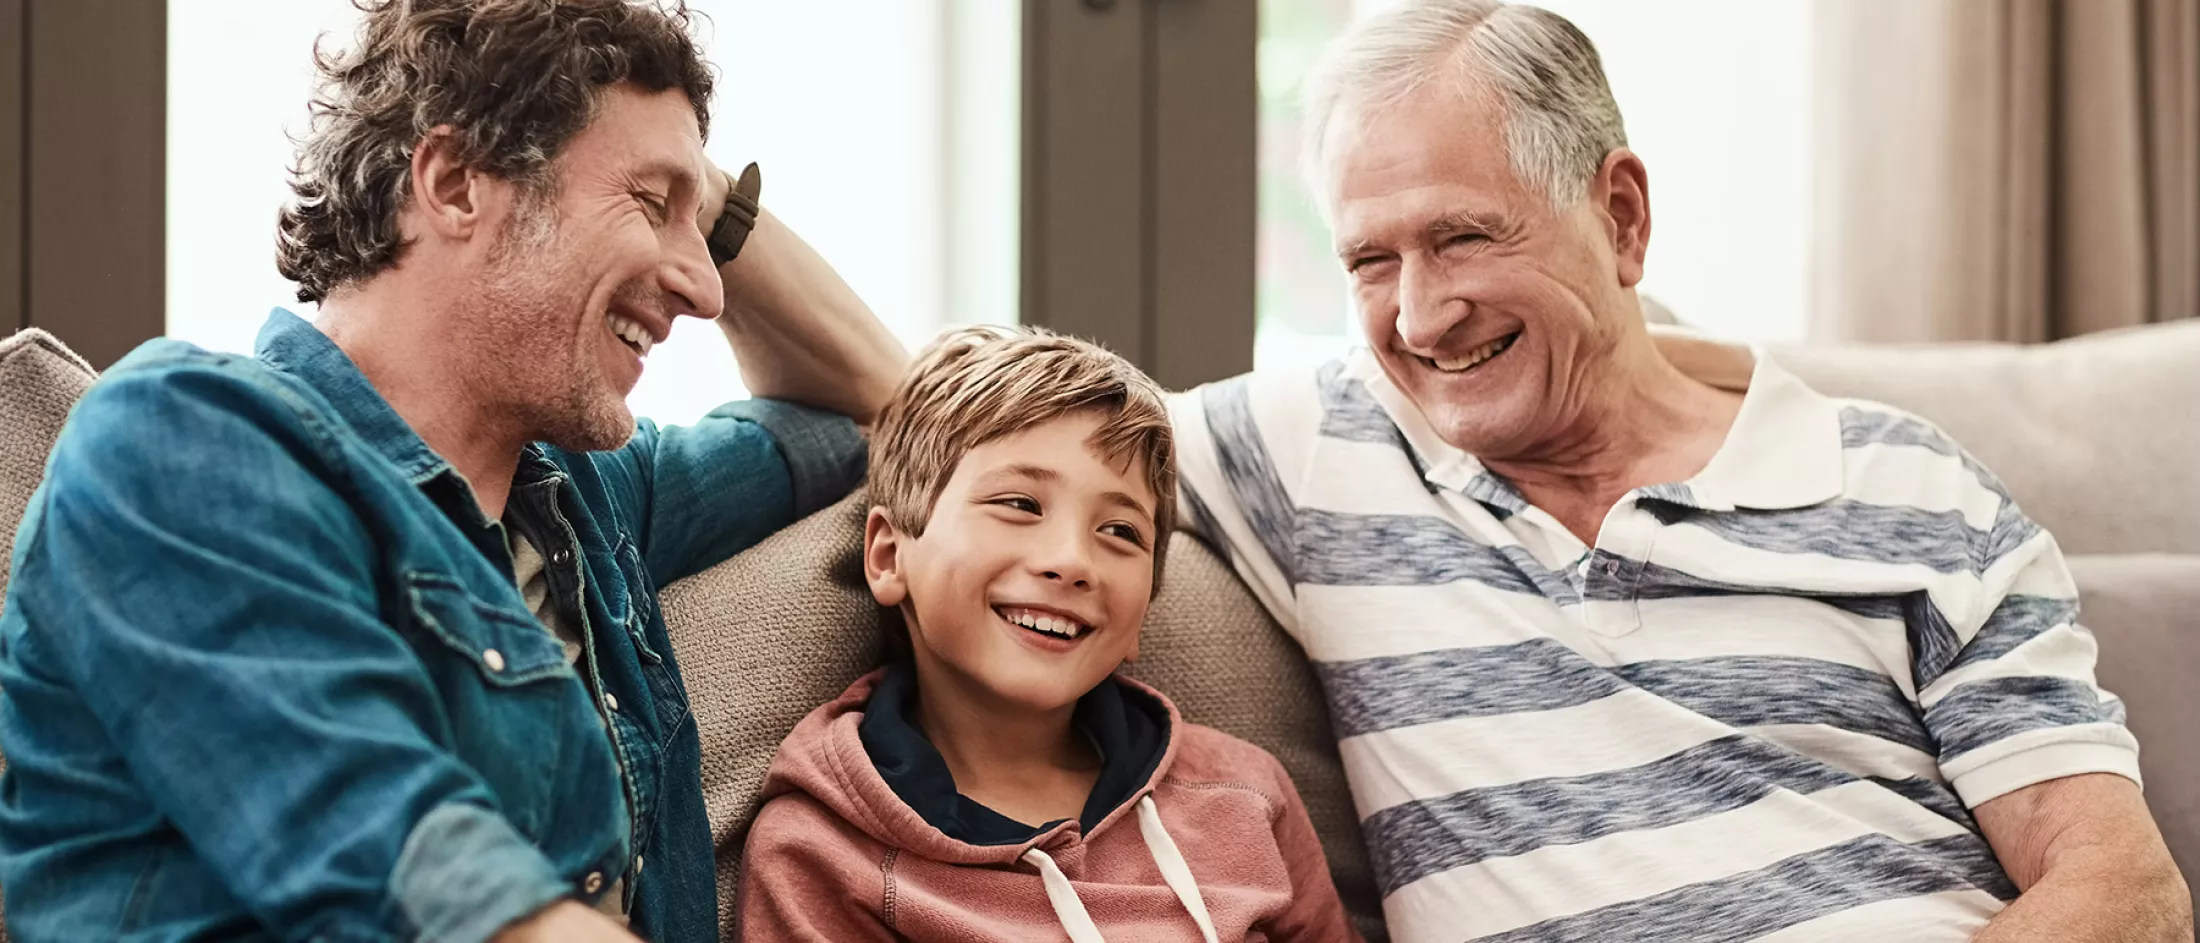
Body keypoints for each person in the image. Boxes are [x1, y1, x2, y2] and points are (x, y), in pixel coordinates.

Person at [1167, 1, 2194, 941]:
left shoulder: (1910, 486)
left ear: (1620, 216)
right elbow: (1065, 422)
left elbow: (2124, 887)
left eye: (1464, 236)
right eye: (1370, 262)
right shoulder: (1320, 446)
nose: (1421, 316)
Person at [0, 2, 904, 941]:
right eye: (650, 203)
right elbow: (409, 869)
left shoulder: (589, 500)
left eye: (700, 228)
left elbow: (879, 407)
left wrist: (708, 194)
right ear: (457, 181)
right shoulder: (180, 440)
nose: (707, 287)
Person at [736, 327, 1359, 942]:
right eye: (1020, 504)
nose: (1072, 561)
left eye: (1120, 532)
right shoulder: (820, 853)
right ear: (888, 557)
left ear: (1143, 613)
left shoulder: (1245, 791)